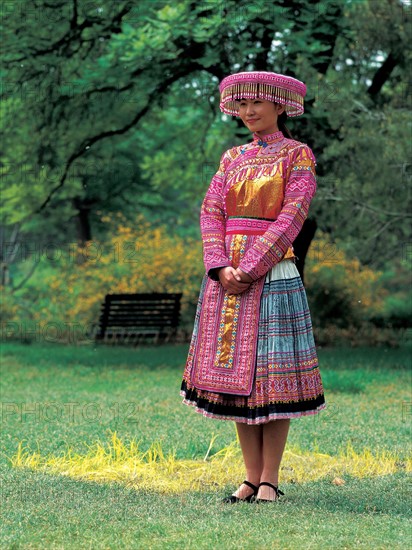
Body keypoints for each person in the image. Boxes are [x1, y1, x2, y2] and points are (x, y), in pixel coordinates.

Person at [180, 71, 326, 503]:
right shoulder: (231, 158)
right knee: (238, 380)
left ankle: (270, 480)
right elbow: (211, 211)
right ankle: (248, 476)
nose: (247, 112)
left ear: (280, 105)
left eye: (256, 104)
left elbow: (292, 216)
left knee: (272, 379)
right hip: (226, 278)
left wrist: (250, 267)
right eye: (241, 105)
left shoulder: (298, 156)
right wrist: (220, 265)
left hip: (274, 273)